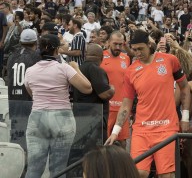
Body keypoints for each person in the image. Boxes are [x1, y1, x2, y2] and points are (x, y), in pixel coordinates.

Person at [105, 29, 191, 178]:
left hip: (166, 128)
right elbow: (126, 105)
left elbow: (185, 87)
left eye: (140, 49)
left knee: (167, 175)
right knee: (139, 173)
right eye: (134, 49)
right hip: (142, 130)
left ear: (149, 45)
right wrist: (115, 132)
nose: (137, 53)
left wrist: (184, 118)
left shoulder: (169, 60)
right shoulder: (131, 71)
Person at [24, 34, 92, 178]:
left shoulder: (29, 71)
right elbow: (87, 88)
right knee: (58, 168)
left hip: (37, 116)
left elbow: (31, 93)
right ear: (57, 50)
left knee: (34, 168)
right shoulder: (64, 68)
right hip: (62, 117)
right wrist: (76, 67)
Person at [73, 43, 115, 148]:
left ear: (86, 55)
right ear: (102, 57)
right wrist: (112, 89)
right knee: (97, 156)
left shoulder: (79, 69)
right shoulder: (96, 69)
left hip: (79, 119)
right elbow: (105, 94)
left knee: (81, 155)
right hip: (95, 121)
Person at [100, 31, 130, 149]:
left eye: (120, 44)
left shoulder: (126, 58)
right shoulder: (101, 57)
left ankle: (123, 167)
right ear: (108, 43)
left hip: (122, 108)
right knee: (105, 143)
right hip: (107, 108)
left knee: (122, 143)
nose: (118, 47)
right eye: (115, 44)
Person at [7, 29, 41, 119]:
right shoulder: (37, 57)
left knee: (16, 130)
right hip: (30, 102)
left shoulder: (11, 56)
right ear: (36, 42)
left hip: (13, 101)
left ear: (20, 41)